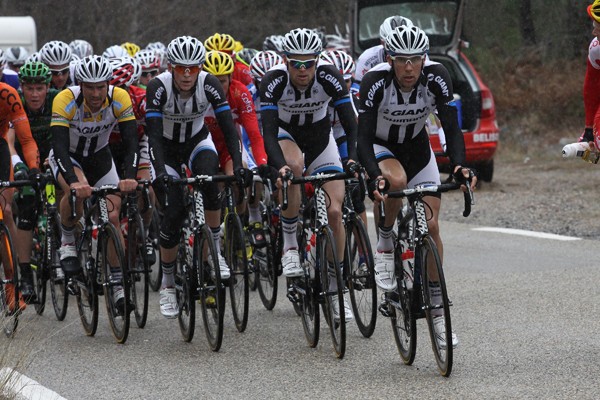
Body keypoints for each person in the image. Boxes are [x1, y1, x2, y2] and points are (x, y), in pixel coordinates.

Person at [357, 25, 476, 348]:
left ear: (424, 59)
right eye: (401, 60)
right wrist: (372, 174)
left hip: (418, 150)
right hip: (383, 148)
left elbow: (451, 128)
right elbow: (363, 137)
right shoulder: (375, 81)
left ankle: (438, 315)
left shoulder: (437, 77)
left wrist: (460, 166)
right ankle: (384, 242)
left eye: (415, 60)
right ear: (390, 59)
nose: (408, 68)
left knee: (432, 227)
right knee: (396, 181)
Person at [259, 28, 358, 321]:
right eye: (296, 64)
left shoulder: (329, 76)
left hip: (320, 138)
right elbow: (267, 133)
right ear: (285, 62)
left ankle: (335, 284)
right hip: (286, 135)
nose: (303, 70)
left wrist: (351, 158)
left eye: (308, 63)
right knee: (295, 169)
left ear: (318, 61)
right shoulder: (273, 81)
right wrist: (280, 167)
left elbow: (351, 124)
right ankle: (290, 242)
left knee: (335, 213)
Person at [145, 36, 244, 319]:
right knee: (174, 211)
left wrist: (237, 165)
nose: (187, 74)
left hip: (198, 142)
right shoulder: (157, 87)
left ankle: (215, 249)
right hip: (165, 149)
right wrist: (161, 171)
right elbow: (152, 136)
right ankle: (166, 284)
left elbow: (228, 129)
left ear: (200, 68)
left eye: (193, 68)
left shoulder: (209, 83)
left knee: (211, 183)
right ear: (171, 67)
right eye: (180, 68)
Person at [49, 55, 139, 312]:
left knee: (111, 217)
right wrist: (73, 182)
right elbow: (59, 147)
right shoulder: (65, 99)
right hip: (69, 157)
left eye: (101, 86)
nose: (97, 93)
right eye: (90, 87)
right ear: (81, 85)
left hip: (100, 157)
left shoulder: (120, 97)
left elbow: (132, 141)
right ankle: (67, 241)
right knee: (76, 191)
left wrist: (130, 176)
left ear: (108, 84)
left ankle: (118, 286)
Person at [202, 50, 269, 244]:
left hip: (229, 147)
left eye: (222, 81)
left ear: (231, 78)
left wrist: (262, 162)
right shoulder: (198, 95)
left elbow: (254, 134)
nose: (217, 86)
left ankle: (238, 226)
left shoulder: (240, 92)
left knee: (240, 178)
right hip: (203, 147)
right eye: (213, 80)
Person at [8, 61, 59, 302]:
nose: (35, 94)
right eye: (30, 88)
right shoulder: (14, 100)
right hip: (19, 154)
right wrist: (19, 167)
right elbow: (9, 140)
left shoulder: (57, 99)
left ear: (47, 87)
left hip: (50, 152)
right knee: (27, 205)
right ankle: (26, 275)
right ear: (22, 88)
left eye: (40, 88)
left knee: (58, 199)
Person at [0, 81, 40, 312]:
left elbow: (25, 139)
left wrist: (33, 168)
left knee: (4, 210)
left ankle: (12, 288)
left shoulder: (7, 94)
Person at [352, 15, 414, 95]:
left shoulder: (421, 57)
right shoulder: (367, 58)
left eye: (406, 43)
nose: (399, 49)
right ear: (382, 42)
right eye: (393, 44)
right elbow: (358, 94)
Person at [584, 0, 600, 144]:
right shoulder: (596, 49)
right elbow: (592, 86)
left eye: (599, 29)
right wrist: (589, 127)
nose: (593, 32)